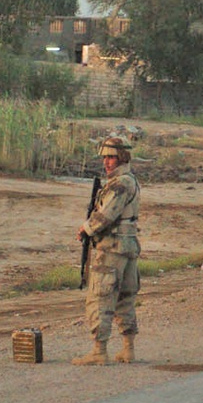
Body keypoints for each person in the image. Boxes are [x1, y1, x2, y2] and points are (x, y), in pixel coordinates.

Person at [72, 136, 141, 366]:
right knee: (124, 299)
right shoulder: (129, 180)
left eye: (111, 157)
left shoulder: (121, 183)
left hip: (112, 248)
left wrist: (87, 228)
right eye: (104, 157)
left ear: (122, 157)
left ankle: (99, 351)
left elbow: (106, 215)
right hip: (127, 247)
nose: (107, 162)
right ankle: (127, 349)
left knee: (100, 298)